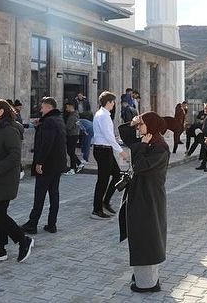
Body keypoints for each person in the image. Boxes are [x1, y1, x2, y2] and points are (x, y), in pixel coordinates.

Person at [118, 112, 169, 293]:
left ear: (151, 125)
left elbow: (139, 166)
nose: (138, 128)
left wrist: (141, 146)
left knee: (147, 237)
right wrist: (133, 123)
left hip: (149, 200)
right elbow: (125, 135)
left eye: (141, 125)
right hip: (142, 196)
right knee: (141, 236)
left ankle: (147, 284)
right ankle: (144, 278)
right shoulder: (150, 141)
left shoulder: (159, 147)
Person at [0, 99, 33, 263]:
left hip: (2, 181)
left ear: (1, 111)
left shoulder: (9, 130)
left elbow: (15, 155)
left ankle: (23, 240)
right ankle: (0, 249)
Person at [21, 97, 67, 235]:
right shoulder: (58, 119)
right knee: (54, 194)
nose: (40, 110)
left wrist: (40, 162)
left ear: (48, 107)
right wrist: (39, 125)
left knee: (39, 195)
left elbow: (46, 143)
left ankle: (32, 224)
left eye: (42, 107)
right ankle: (52, 224)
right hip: (57, 164)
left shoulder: (49, 122)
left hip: (47, 165)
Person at [92, 91, 129, 220]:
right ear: (108, 102)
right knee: (102, 181)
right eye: (113, 102)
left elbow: (107, 135)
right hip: (103, 150)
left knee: (117, 175)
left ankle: (105, 202)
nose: (114, 105)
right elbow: (108, 136)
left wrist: (116, 140)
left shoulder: (102, 114)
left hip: (104, 149)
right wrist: (121, 151)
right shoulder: (103, 116)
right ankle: (96, 210)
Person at [64, 102, 83, 175]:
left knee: (70, 151)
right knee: (71, 151)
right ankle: (78, 164)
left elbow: (68, 127)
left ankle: (73, 168)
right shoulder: (75, 114)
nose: (66, 108)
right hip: (74, 135)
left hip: (72, 135)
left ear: (71, 106)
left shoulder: (72, 116)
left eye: (67, 107)